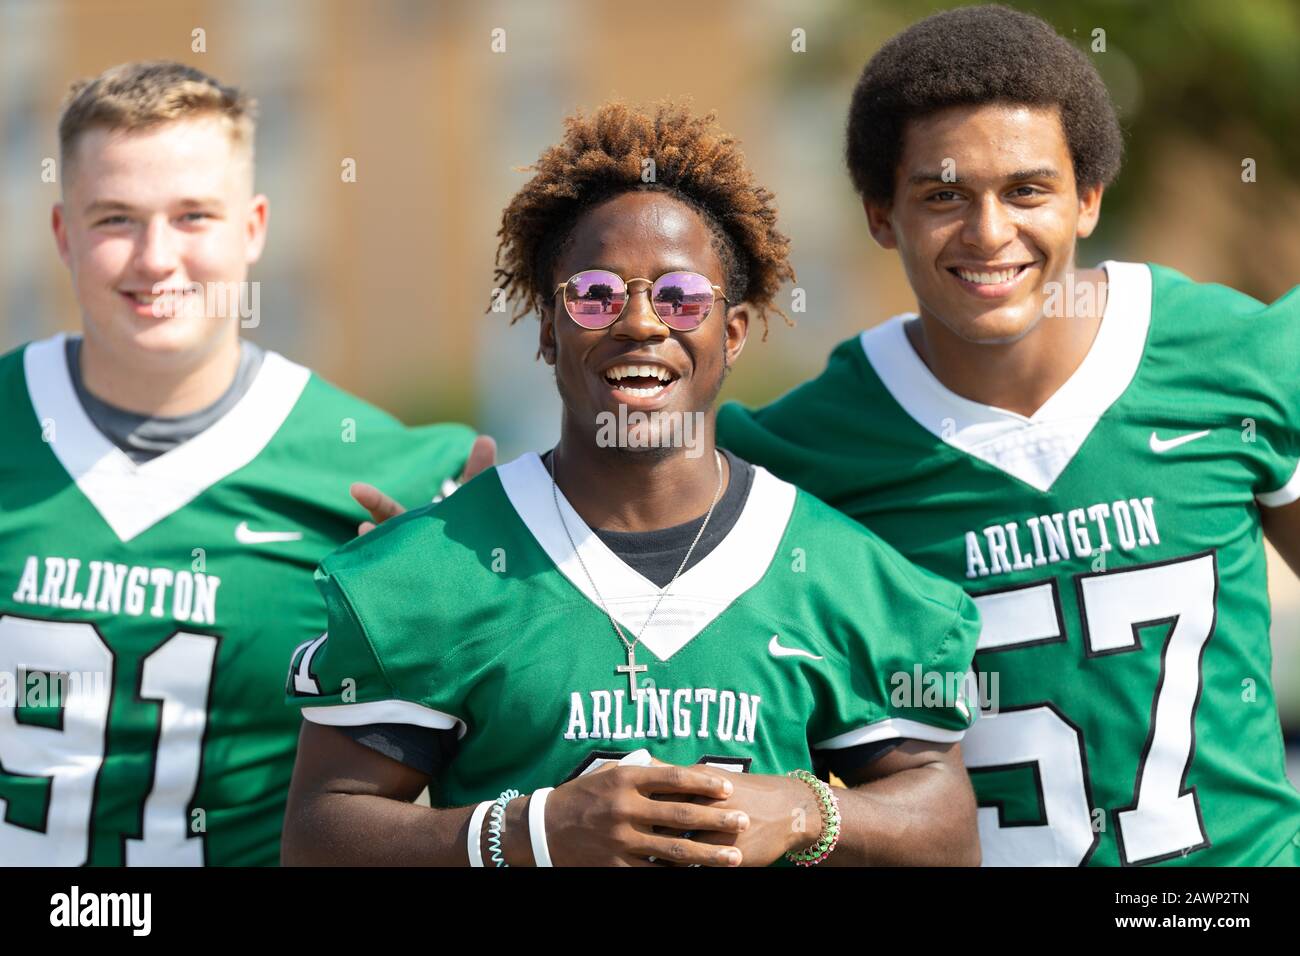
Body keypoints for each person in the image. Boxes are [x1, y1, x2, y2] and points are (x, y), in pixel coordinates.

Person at [282, 101, 982, 867]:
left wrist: (808, 810)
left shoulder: (838, 570)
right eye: (595, 296)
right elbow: (319, 837)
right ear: (549, 330)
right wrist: (532, 832)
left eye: (682, 298)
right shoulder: (438, 573)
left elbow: (947, 831)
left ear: (734, 332)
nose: (642, 323)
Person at [715, 5, 1300, 865]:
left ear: (1089, 198)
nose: (990, 233)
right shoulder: (805, 452)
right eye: (944, 196)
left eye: (1027, 189)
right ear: (882, 215)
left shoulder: (1227, 355)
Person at [0, 61, 488, 866]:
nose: (156, 259)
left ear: (254, 227)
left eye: (194, 216)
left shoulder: (396, 478)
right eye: (115, 218)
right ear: (61, 233)